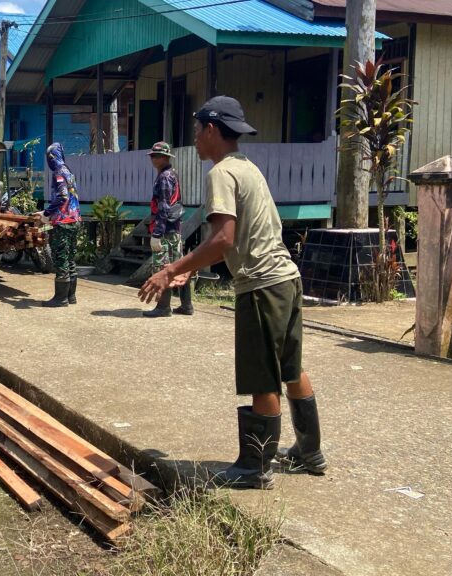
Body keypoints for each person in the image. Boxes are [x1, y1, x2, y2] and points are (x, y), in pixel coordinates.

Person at [138, 96, 326, 489]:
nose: (194, 139)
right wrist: (189, 269)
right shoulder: (248, 168)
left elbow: (223, 238)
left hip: (260, 286)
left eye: (196, 130)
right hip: (286, 279)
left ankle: (255, 467)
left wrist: (170, 268)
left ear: (211, 129)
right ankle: (310, 453)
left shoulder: (221, 172)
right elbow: (243, 236)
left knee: (262, 377)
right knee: (290, 369)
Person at [143, 141, 193, 317]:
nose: (153, 159)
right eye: (152, 156)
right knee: (178, 266)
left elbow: (163, 207)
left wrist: (156, 233)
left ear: (165, 157)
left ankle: (163, 307)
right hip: (175, 228)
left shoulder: (164, 177)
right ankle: (187, 305)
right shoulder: (172, 174)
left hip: (164, 230)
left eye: (157, 156)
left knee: (163, 267)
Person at [38, 142, 82, 307]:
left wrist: (47, 213)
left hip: (63, 222)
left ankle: (60, 298)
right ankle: (71, 296)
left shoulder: (58, 173)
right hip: (75, 219)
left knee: (61, 258)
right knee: (70, 258)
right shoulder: (69, 171)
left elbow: (62, 196)